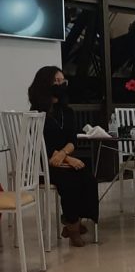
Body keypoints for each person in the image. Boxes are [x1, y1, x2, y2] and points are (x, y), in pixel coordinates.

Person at [28, 66, 99, 247]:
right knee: (69, 180)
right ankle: (73, 227)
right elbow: (41, 145)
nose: (61, 85)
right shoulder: (35, 114)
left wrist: (64, 155)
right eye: (57, 81)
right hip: (44, 163)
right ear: (45, 84)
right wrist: (66, 158)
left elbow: (72, 140)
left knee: (88, 177)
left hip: (62, 158)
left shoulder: (67, 112)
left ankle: (73, 221)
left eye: (63, 81)